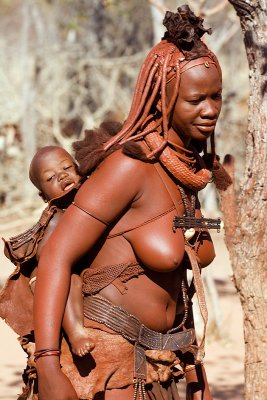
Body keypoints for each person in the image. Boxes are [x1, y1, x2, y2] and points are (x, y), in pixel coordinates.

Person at [33, 5, 231, 400]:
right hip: (112, 362)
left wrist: (195, 368)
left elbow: (186, 247)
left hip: (173, 353)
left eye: (216, 97)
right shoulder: (128, 167)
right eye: (195, 100)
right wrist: (48, 362)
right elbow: (56, 255)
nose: (210, 111)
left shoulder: (186, 168)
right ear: (164, 99)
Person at [1, 146, 93, 357]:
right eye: (50, 177)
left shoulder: (92, 199)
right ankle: (75, 331)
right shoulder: (55, 217)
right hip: (54, 276)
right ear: (43, 196)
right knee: (71, 281)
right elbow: (50, 261)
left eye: (67, 167)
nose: (62, 176)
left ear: (79, 170)